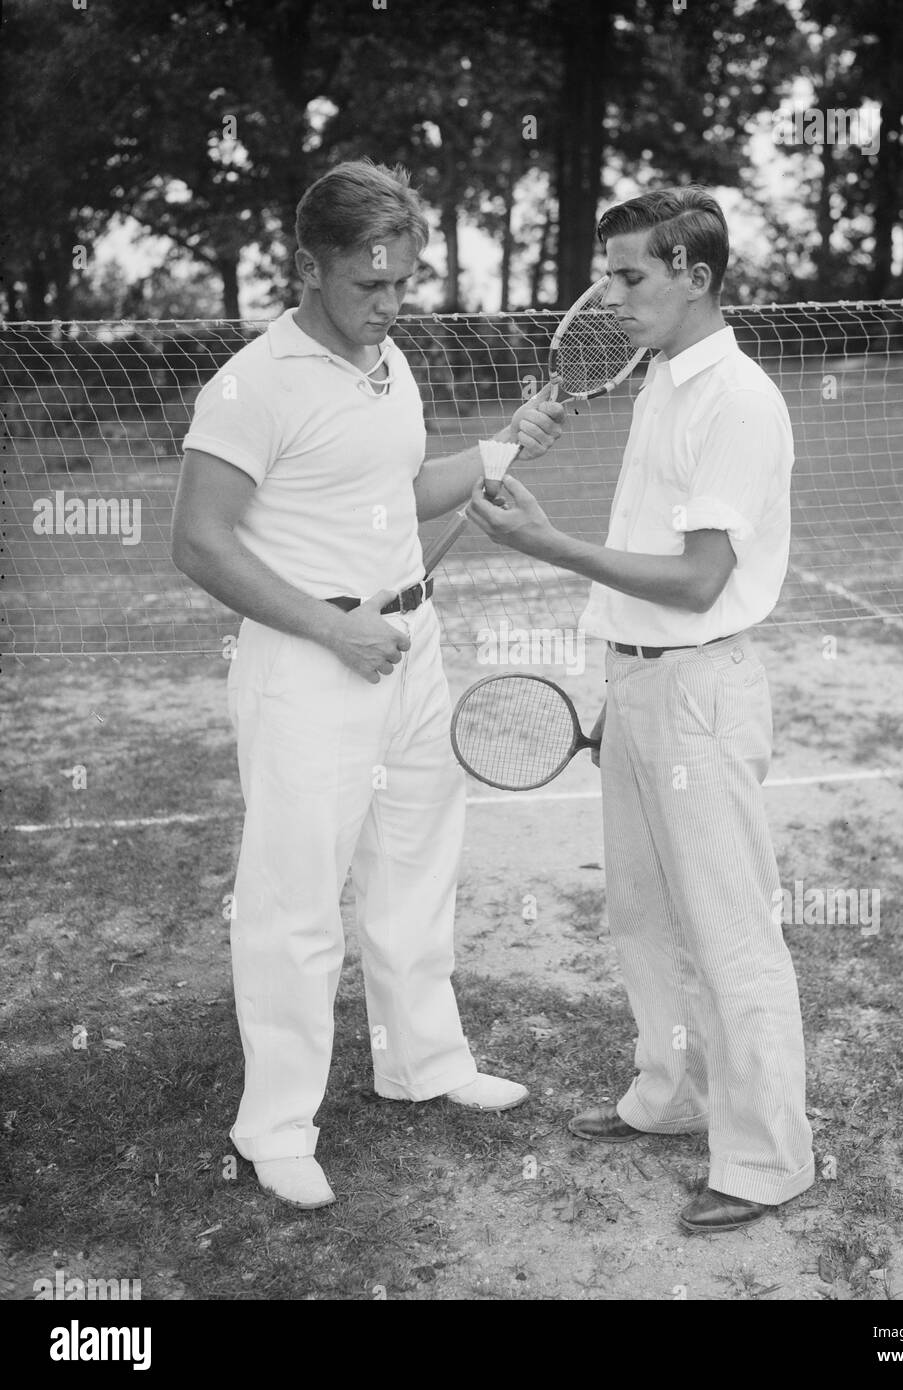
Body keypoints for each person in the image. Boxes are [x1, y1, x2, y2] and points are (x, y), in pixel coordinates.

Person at [171, 158, 565, 1209]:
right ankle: (274, 1127)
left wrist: (499, 449)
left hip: (409, 647)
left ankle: (422, 1062)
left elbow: (401, 487)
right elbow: (199, 541)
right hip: (311, 661)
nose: (390, 305)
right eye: (369, 285)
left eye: (402, 285)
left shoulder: (389, 360)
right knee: (295, 901)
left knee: (415, 867)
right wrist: (331, 627)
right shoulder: (253, 384)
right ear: (310, 266)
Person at [467, 187, 814, 1234]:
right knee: (642, 916)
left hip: (700, 689)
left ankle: (768, 1161)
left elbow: (700, 580)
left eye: (630, 277)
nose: (610, 298)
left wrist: (546, 544)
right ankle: (670, 1096)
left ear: (696, 278)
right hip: (639, 683)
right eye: (605, 278)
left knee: (730, 931)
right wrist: (622, 687)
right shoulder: (663, 377)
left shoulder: (738, 399)